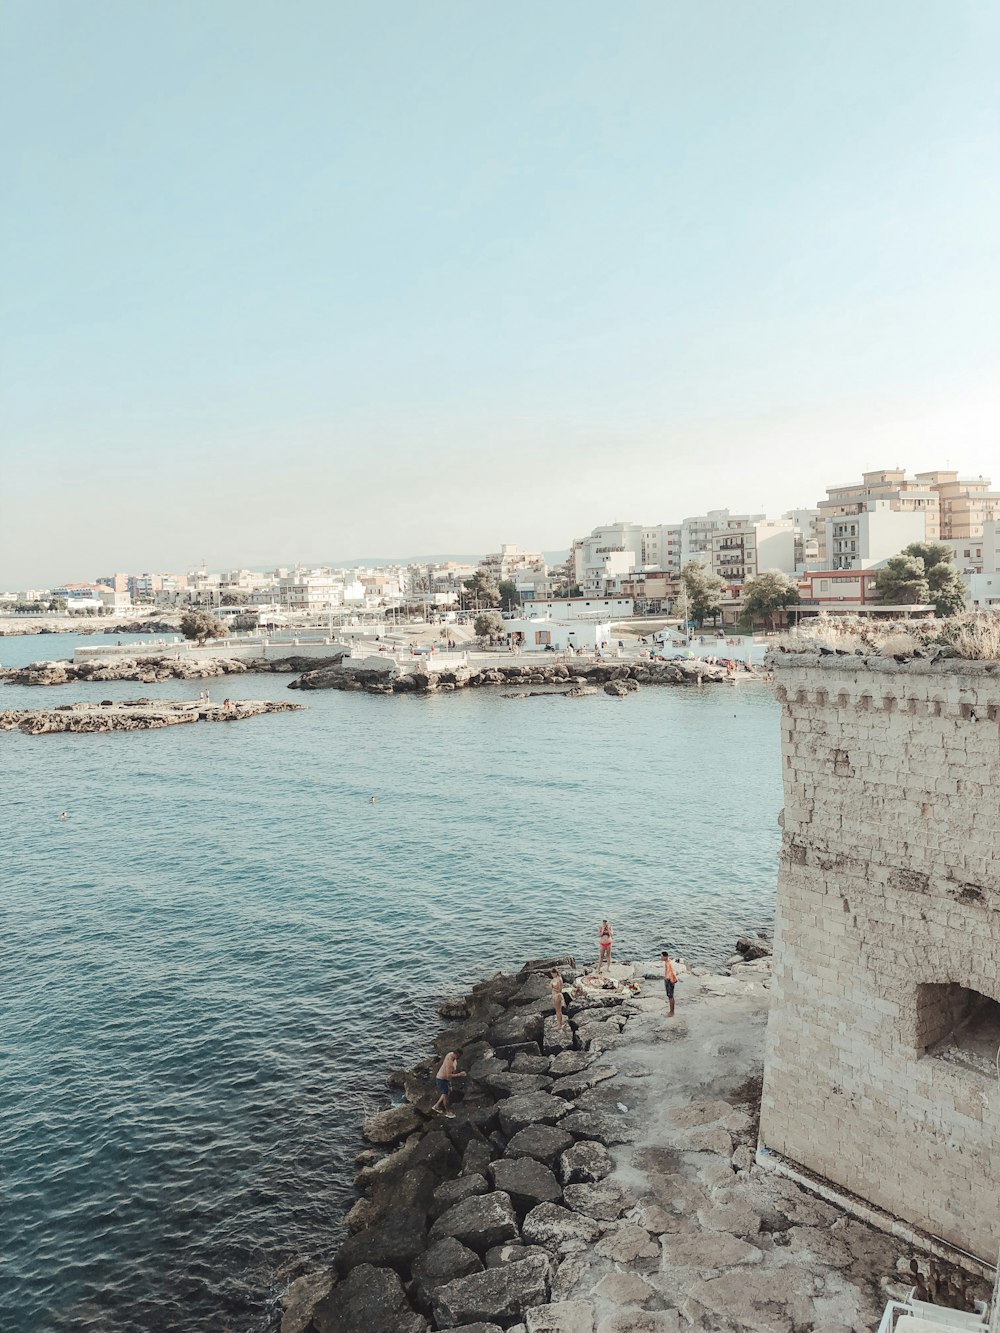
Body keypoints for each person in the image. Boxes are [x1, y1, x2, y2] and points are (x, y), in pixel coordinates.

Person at [431, 1050, 466, 1117]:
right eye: (459, 1056)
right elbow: (448, 1075)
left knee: (448, 1091)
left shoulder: (450, 1054)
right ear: (456, 1054)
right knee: (446, 1096)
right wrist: (460, 1074)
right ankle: (448, 1112)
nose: (459, 1058)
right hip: (442, 1080)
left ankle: (436, 1106)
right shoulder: (450, 1063)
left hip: (446, 1080)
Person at [661, 949, 678, 1017]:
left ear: (665, 957)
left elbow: (673, 972)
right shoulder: (666, 962)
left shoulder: (670, 963)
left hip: (670, 981)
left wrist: (673, 981)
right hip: (667, 980)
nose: (661, 958)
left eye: (662, 956)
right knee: (669, 995)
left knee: (671, 996)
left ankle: (672, 1012)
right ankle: (671, 1010)